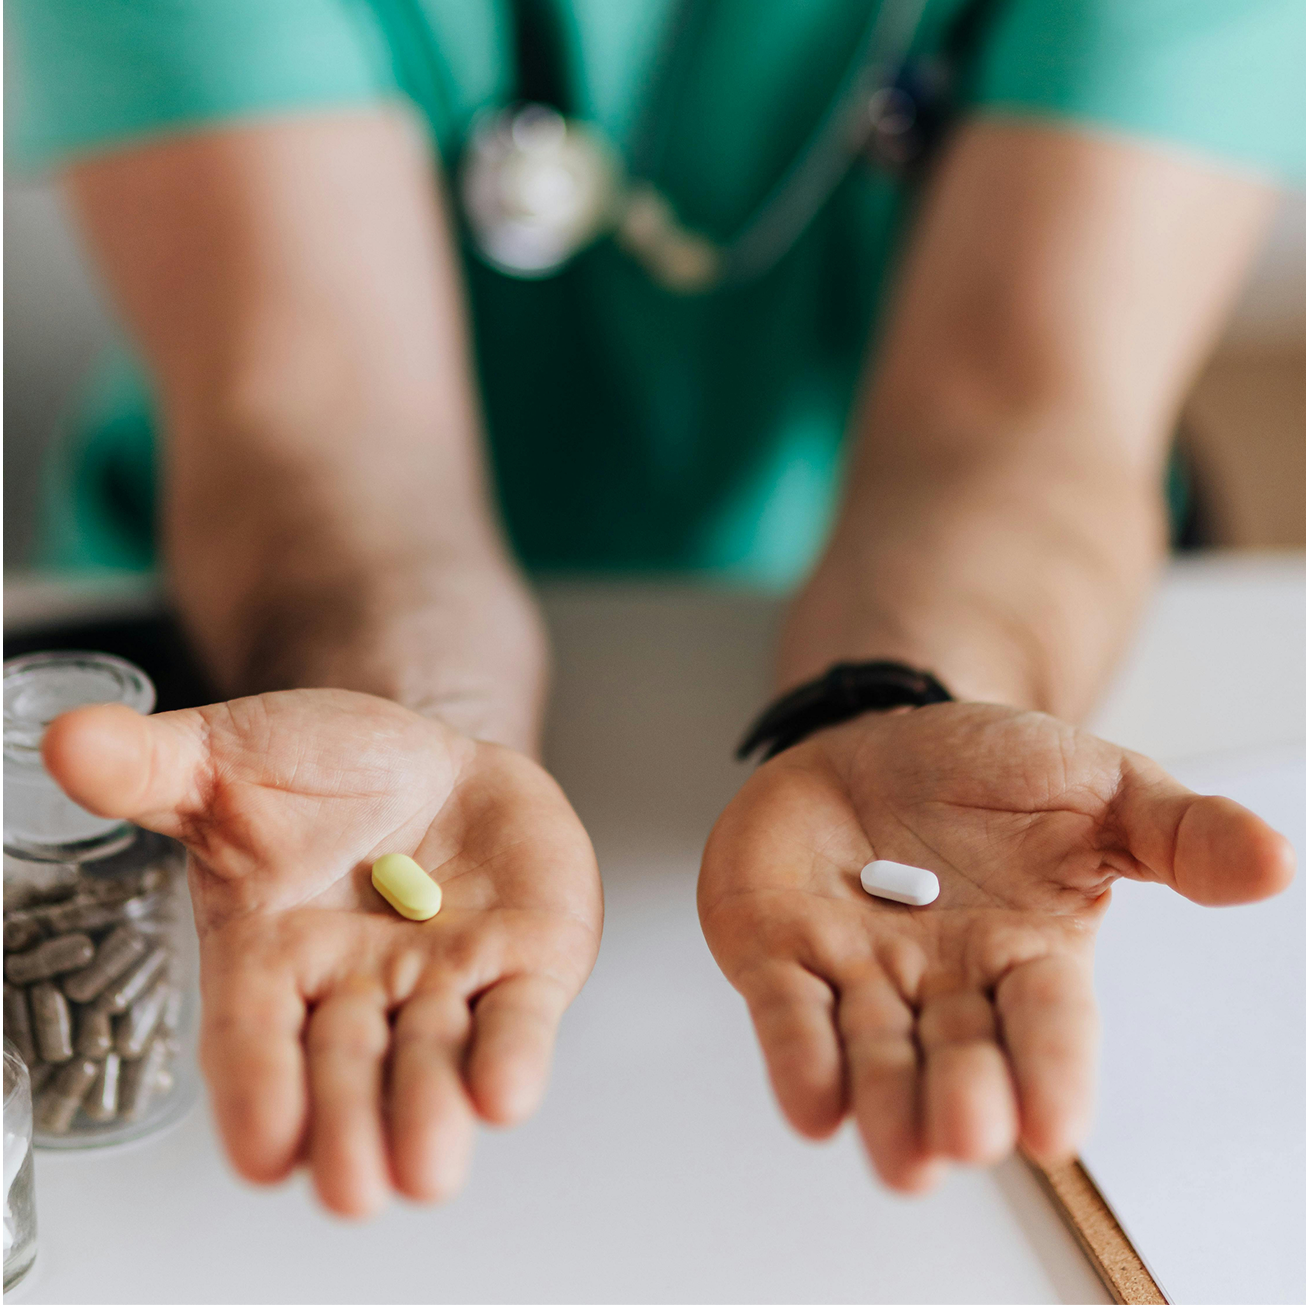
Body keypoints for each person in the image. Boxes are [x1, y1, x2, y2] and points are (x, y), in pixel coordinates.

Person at [8, 0, 1300, 1217]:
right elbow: (312, 412)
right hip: (278, 635)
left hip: (895, 607)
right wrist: (403, 712)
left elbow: (1024, 411)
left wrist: (910, 690)